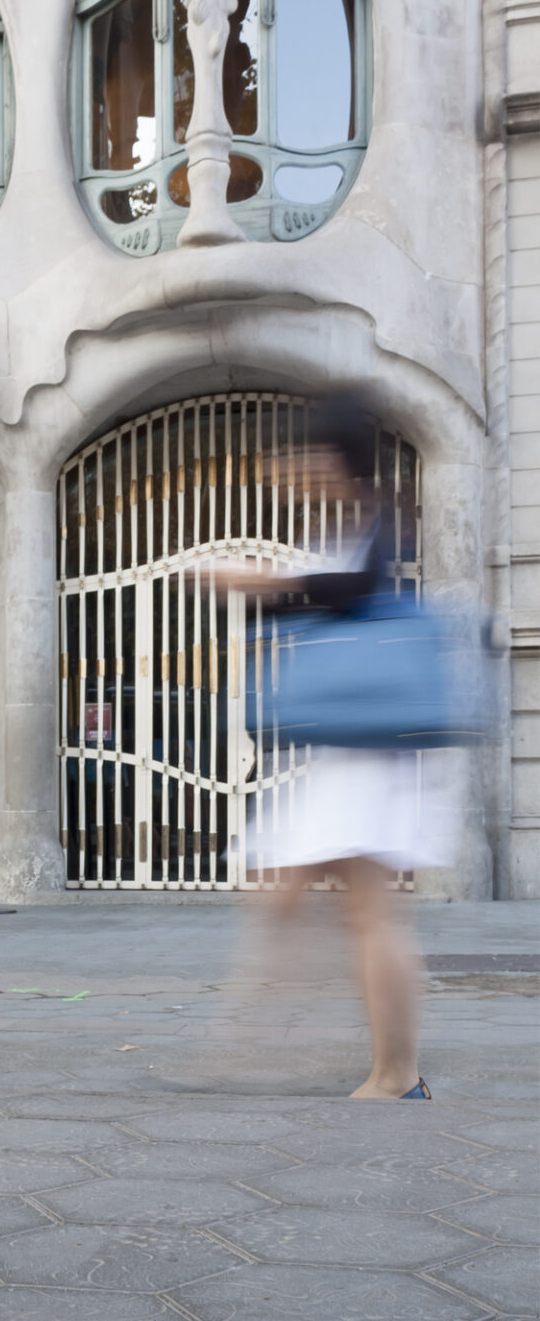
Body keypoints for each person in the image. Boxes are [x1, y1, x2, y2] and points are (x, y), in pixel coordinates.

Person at [212, 401, 460, 1100]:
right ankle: (254, 1041)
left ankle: (393, 1073)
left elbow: (354, 592)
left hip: (371, 748)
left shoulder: (377, 519)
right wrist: (246, 587)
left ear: (334, 458)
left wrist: (268, 580)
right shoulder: (345, 526)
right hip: (352, 746)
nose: (287, 468)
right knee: (292, 895)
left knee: (367, 912)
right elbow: (321, 603)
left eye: (302, 455)